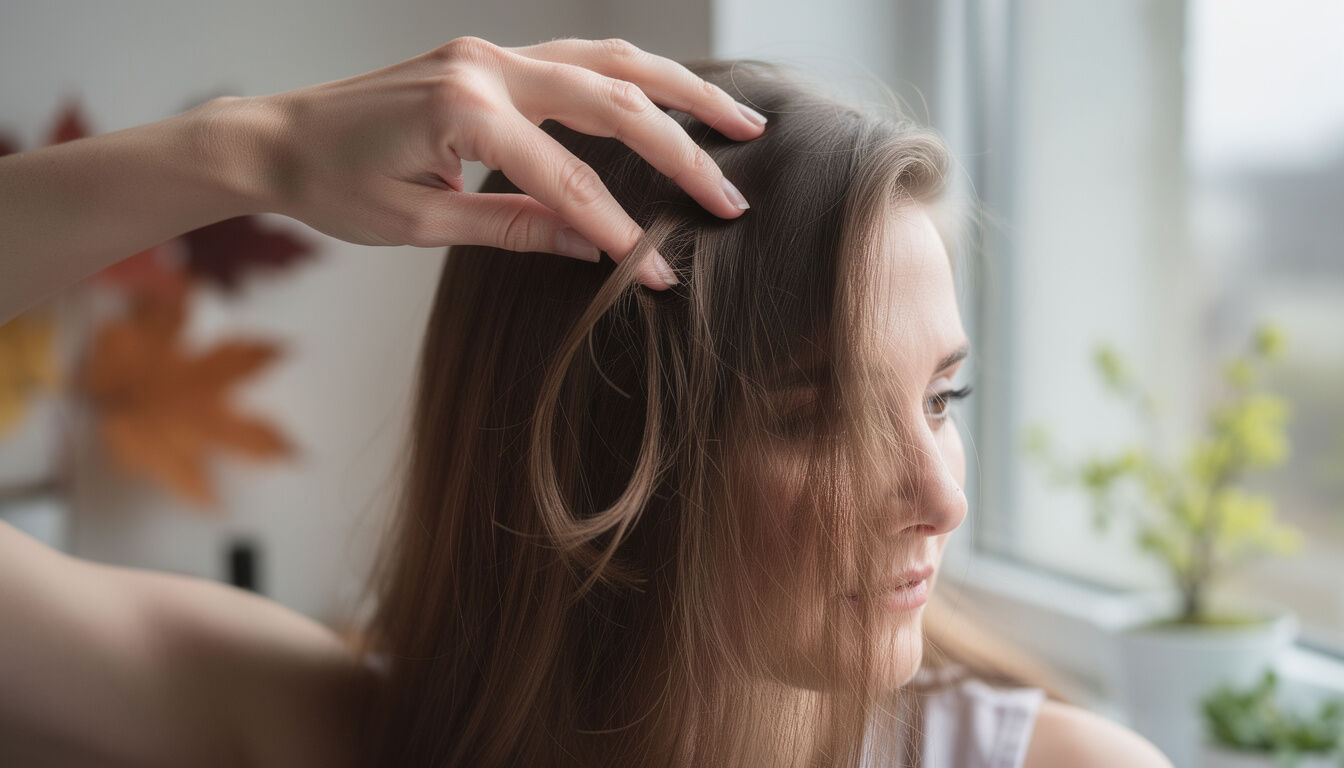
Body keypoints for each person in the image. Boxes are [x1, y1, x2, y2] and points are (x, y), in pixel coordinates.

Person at [0, 37, 1172, 768]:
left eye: (941, 397)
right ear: (605, 452)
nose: (939, 501)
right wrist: (253, 152)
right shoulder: (339, 735)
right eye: (821, 417)